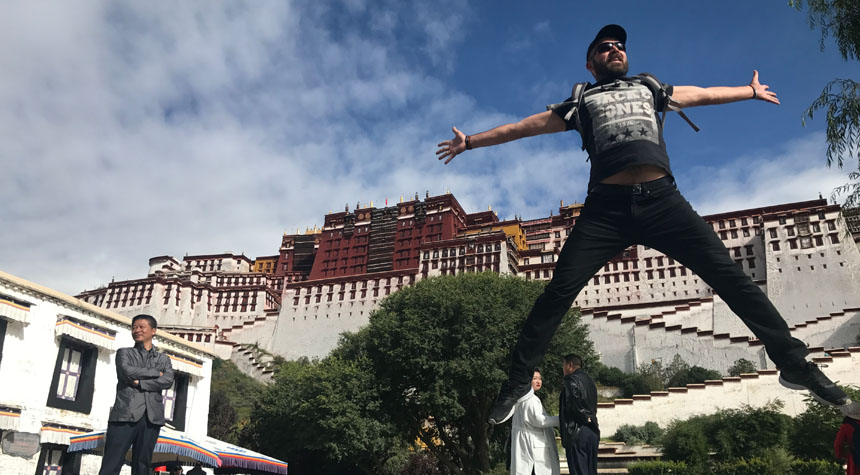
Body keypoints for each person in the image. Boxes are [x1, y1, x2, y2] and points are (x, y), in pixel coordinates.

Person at [436, 23, 858, 425]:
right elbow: (523, 127)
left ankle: (794, 363)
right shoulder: (581, 100)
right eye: (604, 47)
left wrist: (747, 91)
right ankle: (515, 383)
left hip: (663, 203)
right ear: (590, 63)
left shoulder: (649, 87)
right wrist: (471, 141)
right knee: (557, 293)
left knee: (731, 278)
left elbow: (702, 94)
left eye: (619, 45)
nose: (614, 49)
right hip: (606, 209)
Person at [98, 314, 175, 475]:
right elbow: (126, 372)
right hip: (125, 414)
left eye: (141, 327)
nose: (136, 330)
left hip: (151, 417)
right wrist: (156, 373)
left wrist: (140, 383)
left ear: (153, 331)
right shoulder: (124, 353)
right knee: (111, 463)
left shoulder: (164, 359)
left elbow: (167, 380)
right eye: (134, 327)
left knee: (143, 465)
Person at [509, 368, 560, 475]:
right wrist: (560, 419)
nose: (538, 381)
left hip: (529, 445)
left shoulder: (522, 398)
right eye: (535, 378)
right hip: (533, 447)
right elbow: (539, 420)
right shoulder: (530, 399)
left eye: (540, 379)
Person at [559, 354, 598, 475]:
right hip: (592, 431)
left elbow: (573, 401)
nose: (563, 369)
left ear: (570, 365)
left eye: (564, 365)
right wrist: (588, 418)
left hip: (577, 430)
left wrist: (583, 417)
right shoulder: (589, 380)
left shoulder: (570, 380)